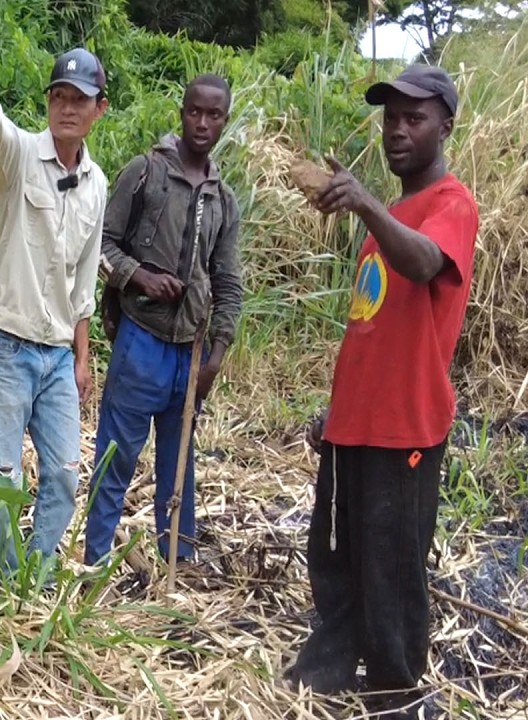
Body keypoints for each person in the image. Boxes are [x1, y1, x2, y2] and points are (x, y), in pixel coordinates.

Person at [285, 64, 478, 719]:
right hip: (355, 424)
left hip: (407, 427)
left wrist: (365, 201)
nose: (397, 130)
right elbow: (371, 329)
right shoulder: (391, 214)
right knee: (334, 556)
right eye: (390, 117)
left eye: (413, 118)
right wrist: (333, 412)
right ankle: (329, 668)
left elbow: (424, 264)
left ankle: (394, 694)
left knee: (392, 568)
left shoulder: (451, 203)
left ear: (444, 126)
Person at [0, 48, 108, 579]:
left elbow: (83, 284)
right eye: (59, 96)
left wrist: (83, 359)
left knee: (63, 471)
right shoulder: (21, 160)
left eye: (78, 99)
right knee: (4, 474)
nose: (67, 108)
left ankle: (36, 570)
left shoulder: (97, 186)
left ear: (98, 109)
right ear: (49, 102)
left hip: (59, 356)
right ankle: (5, 577)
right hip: (10, 346)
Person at [83, 75, 244, 566]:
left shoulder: (224, 200)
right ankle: (94, 563)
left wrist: (215, 356)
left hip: (191, 354)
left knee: (180, 468)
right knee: (116, 457)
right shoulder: (145, 172)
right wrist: (141, 279)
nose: (203, 123)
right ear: (182, 111)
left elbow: (229, 284)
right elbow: (100, 248)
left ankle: (179, 565)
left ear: (224, 120)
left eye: (214, 115)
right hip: (141, 343)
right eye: (195, 111)